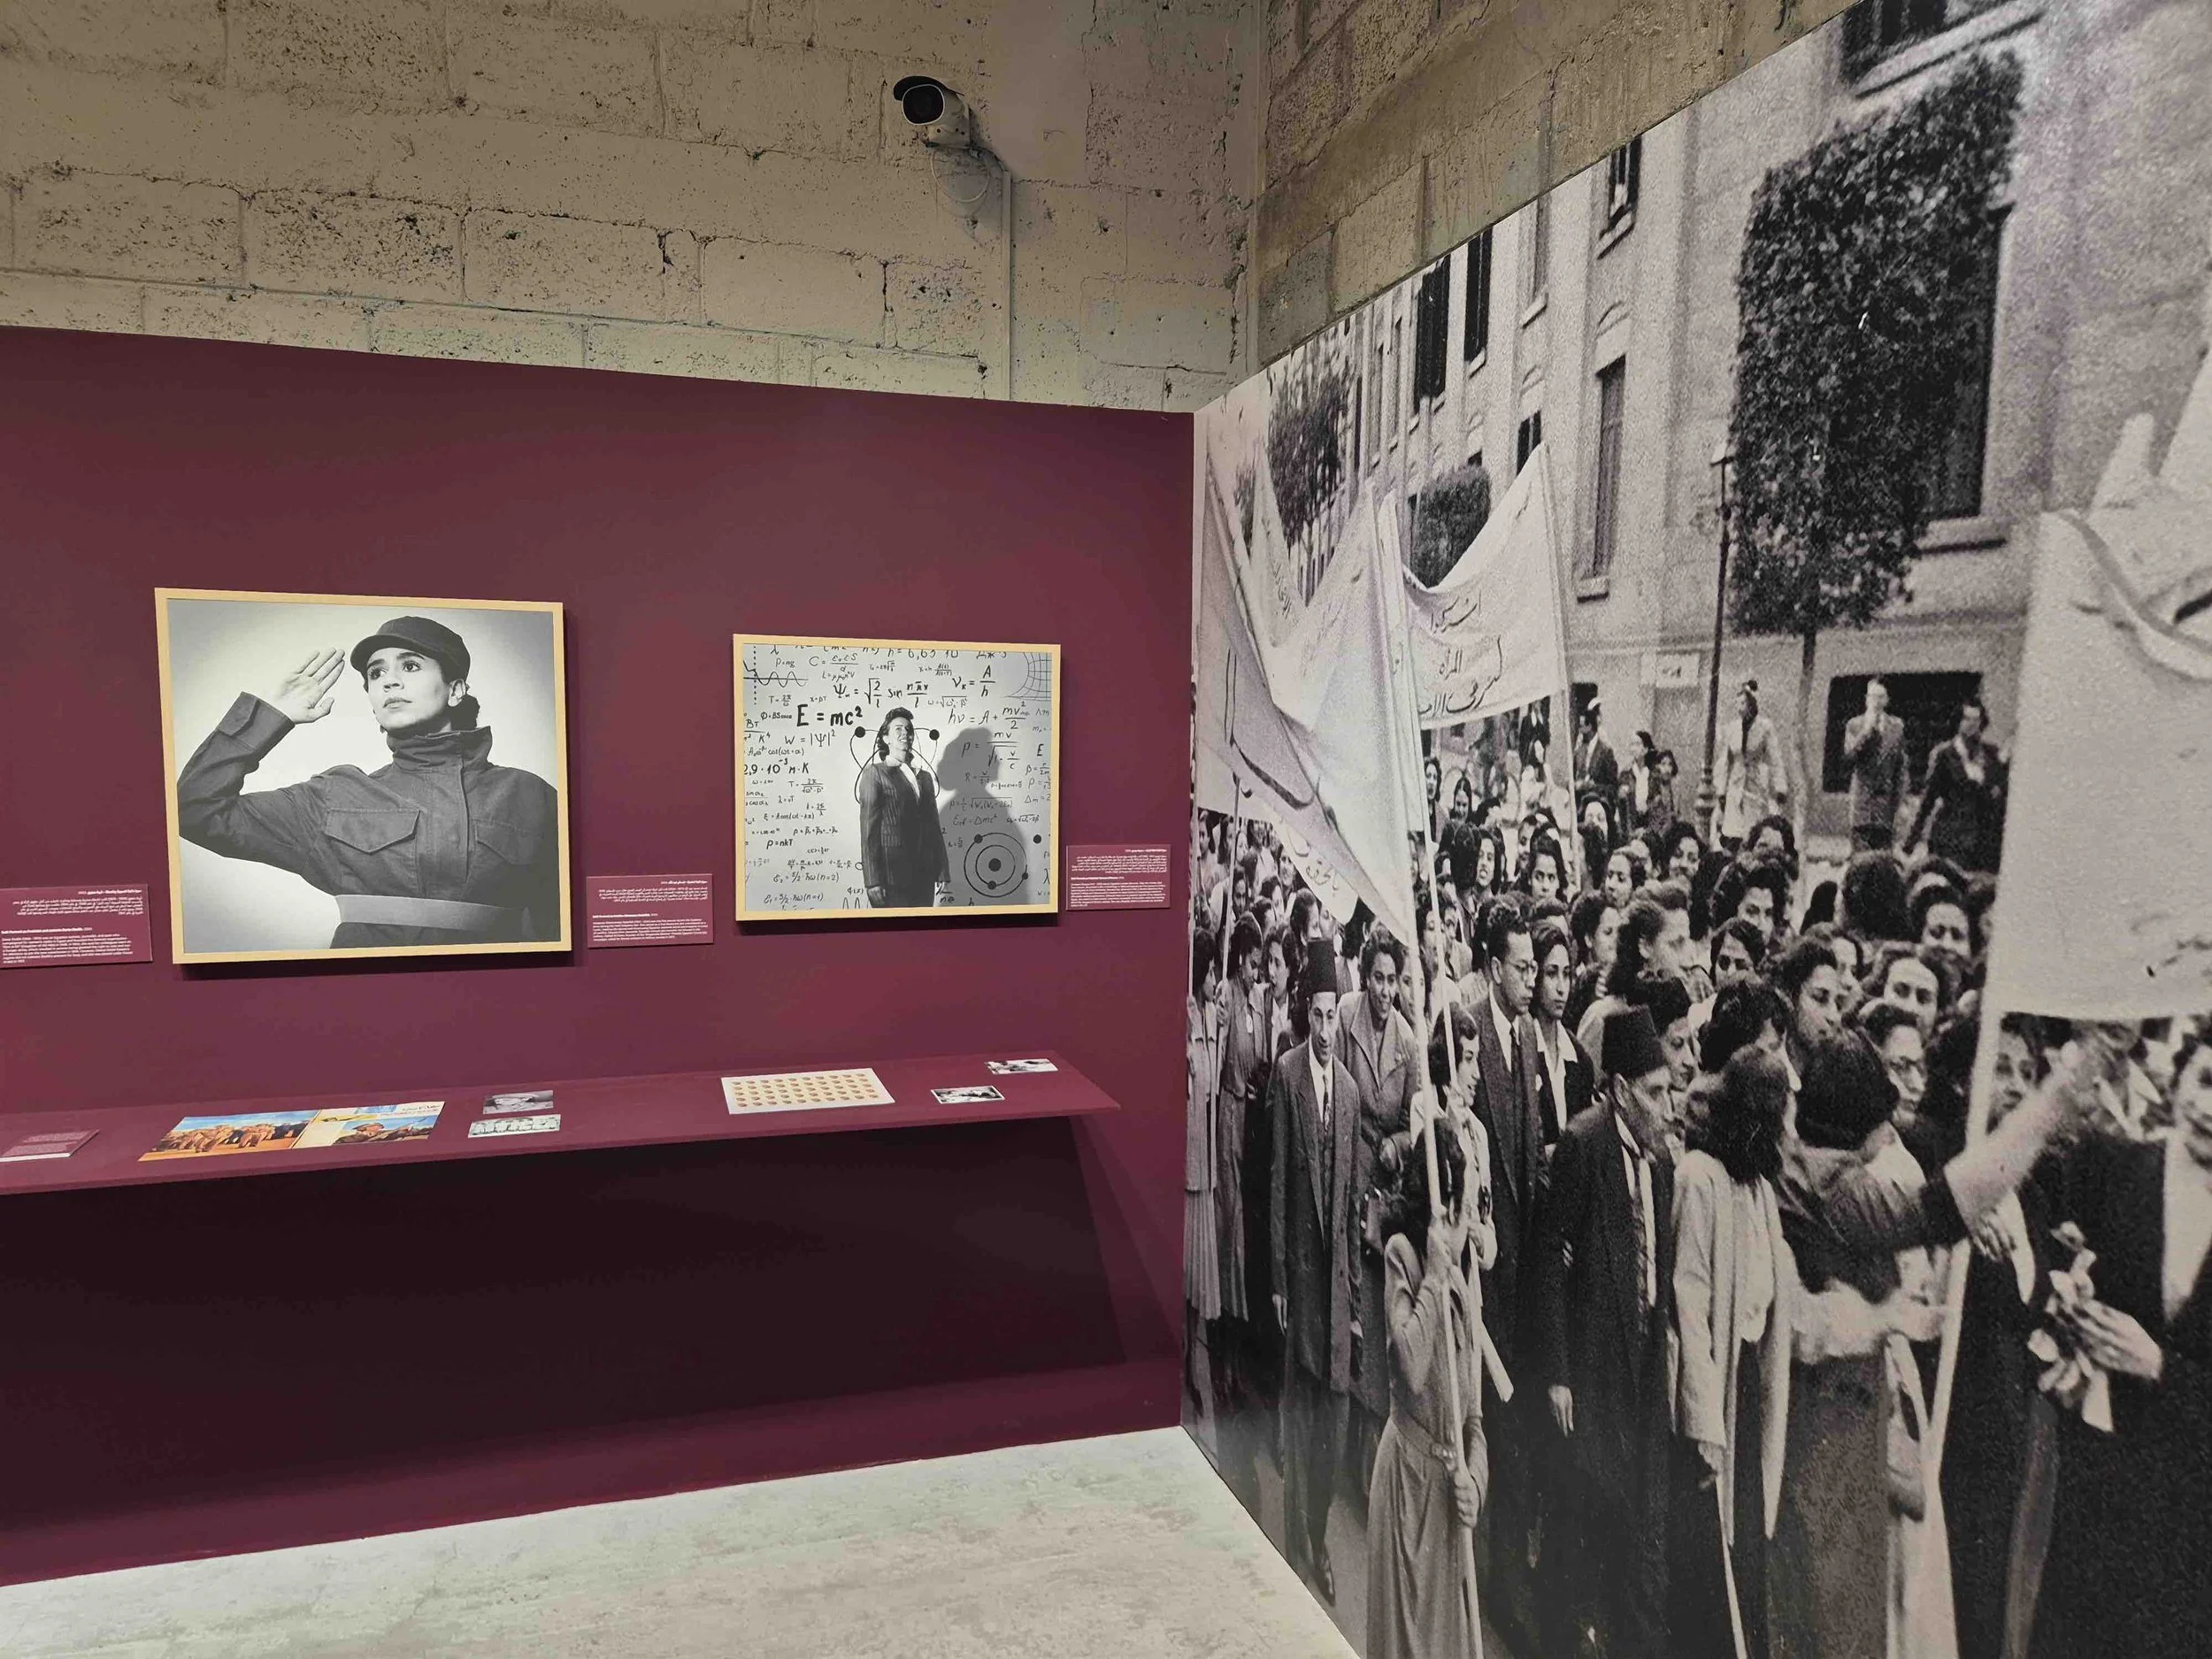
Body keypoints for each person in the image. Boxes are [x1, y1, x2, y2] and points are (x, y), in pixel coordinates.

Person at [175, 618, 563, 948]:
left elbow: (560, 923)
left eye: (410, 666)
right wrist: (270, 717)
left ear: (456, 690)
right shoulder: (335, 796)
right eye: (376, 673)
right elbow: (193, 809)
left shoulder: (531, 796)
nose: (389, 682)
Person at [2029, 1030, 2212, 1659]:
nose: (2209, 1108)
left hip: (2194, 1513)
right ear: (2178, 1079)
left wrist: (2161, 1366)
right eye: (2205, 1081)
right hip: (2098, 1482)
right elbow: (2032, 1224)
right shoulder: (2111, 1165)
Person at [1534, 1006, 1679, 1658]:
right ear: (1620, 1091)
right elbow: (1549, 1260)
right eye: (1655, 1092)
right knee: (1579, 1511)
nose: (1667, 1106)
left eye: (1670, 1090)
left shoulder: (1660, 1160)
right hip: (1591, 1368)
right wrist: (1558, 1374)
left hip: (1642, 1364)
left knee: (1632, 1516)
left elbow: (1660, 1265)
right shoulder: (1584, 1145)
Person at [1367, 1121, 1492, 1659]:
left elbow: (1474, 1421)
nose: (1466, 1227)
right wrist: (1435, 1277)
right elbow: (1411, 1368)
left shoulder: (1466, 1281)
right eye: (1458, 1212)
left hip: (1447, 1502)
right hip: (1406, 1488)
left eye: (1469, 1213)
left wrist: (1476, 1484)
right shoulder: (1403, 1256)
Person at [1270, 939, 1365, 1602]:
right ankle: (1300, 1545)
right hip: (1300, 1281)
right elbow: (1278, 1179)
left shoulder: (1352, 1094)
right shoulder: (1287, 1077)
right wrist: (1279, 1280)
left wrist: (1354, 1298)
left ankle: (1317, 1526)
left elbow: (1353, 1202)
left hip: (1335, 1288)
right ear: (1306, 1014)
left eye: (1335, 1017)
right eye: (1318, 1017)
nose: (1327, 1031)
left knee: (1333, 1421)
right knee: (1299, 1411)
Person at [1468, 901, 1549, 1647]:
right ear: (1495, 967)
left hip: (1523, 1269)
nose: (1533, 977)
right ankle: (1492, 1582)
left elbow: (1529, 1151)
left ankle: (1509, 1576)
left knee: (1515, 1422)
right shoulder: (1467, 1032)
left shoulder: (1526, 1037)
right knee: (1488, 1423)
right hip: (1482, 1271)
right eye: (1523, 966)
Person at [1342, 927, 1423, 1471]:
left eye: (1393, 980)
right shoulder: (1344, 1018)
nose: (1385, 990)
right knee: (1346, 1296)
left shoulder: (1408, 1042)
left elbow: (1416, 1123)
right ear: (1364, 976)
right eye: (1377, 978)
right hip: (1348, 1169)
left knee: (1376, 1308)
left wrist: (1396, 1146)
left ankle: (1372, 1437)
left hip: (1384, 1193)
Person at [857, 707, 950, 908]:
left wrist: (942, 871)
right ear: (886, 738)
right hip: (891, 878)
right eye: (898, 729)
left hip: (924, 875)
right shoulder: (875, 773)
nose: (905, 733)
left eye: (909, 729)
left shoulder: (925, 777)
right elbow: (869, 832)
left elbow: (933, 826)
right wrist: (872, 881)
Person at [1186, 939, 1225, 1405]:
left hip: (1207, 1165)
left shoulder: (1214, 1019)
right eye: (1212, 971)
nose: (1216, 980)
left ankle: (1196, 1357)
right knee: (1184, 1274)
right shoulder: (1186, 1019)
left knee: (1200, 1280)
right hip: (1189, 1164)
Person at [1907, 697, 2008, 873]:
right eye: (1966, 719)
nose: (1971, 725)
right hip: (1951, 838)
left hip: (1982, 842)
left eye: (1976, 720)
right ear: (1958, 722)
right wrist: (1911, 841)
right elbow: (1928, 799)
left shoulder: (1991, 754)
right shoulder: (1944, 754)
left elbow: (2000, 790)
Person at [1532, 918, 1595, 1141]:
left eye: (1566, 974)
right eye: (1551, 973)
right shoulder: (1519, 1049)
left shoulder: (1579, 1057)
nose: (1561, 987)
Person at [1717, 679, 1788, 849]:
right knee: (1733, 833)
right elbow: (1724, 761)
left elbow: (1775, 759)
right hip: (1735, 785)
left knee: (1752, 831)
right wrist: (1721, 790)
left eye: (1743, 703)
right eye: (1737, 703)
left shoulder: (1765, 727)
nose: (1740, 708)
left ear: (1752, 704)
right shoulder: (1732, 728)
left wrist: (1780, 787)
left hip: (1756, 785)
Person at [1841, 679, 1908, 852]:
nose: (1876, 702)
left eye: (1880, 697)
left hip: (1886, 807)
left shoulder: (1897, 727)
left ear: (1887, 700)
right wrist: (1866, 732)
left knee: (1883, 859)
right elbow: (1849, 757)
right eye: (1872, 697)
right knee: (1860, 859)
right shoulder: (1854, 725)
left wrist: (1900, 803)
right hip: (1862, 806)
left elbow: (1900, 769)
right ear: (1866, 700)